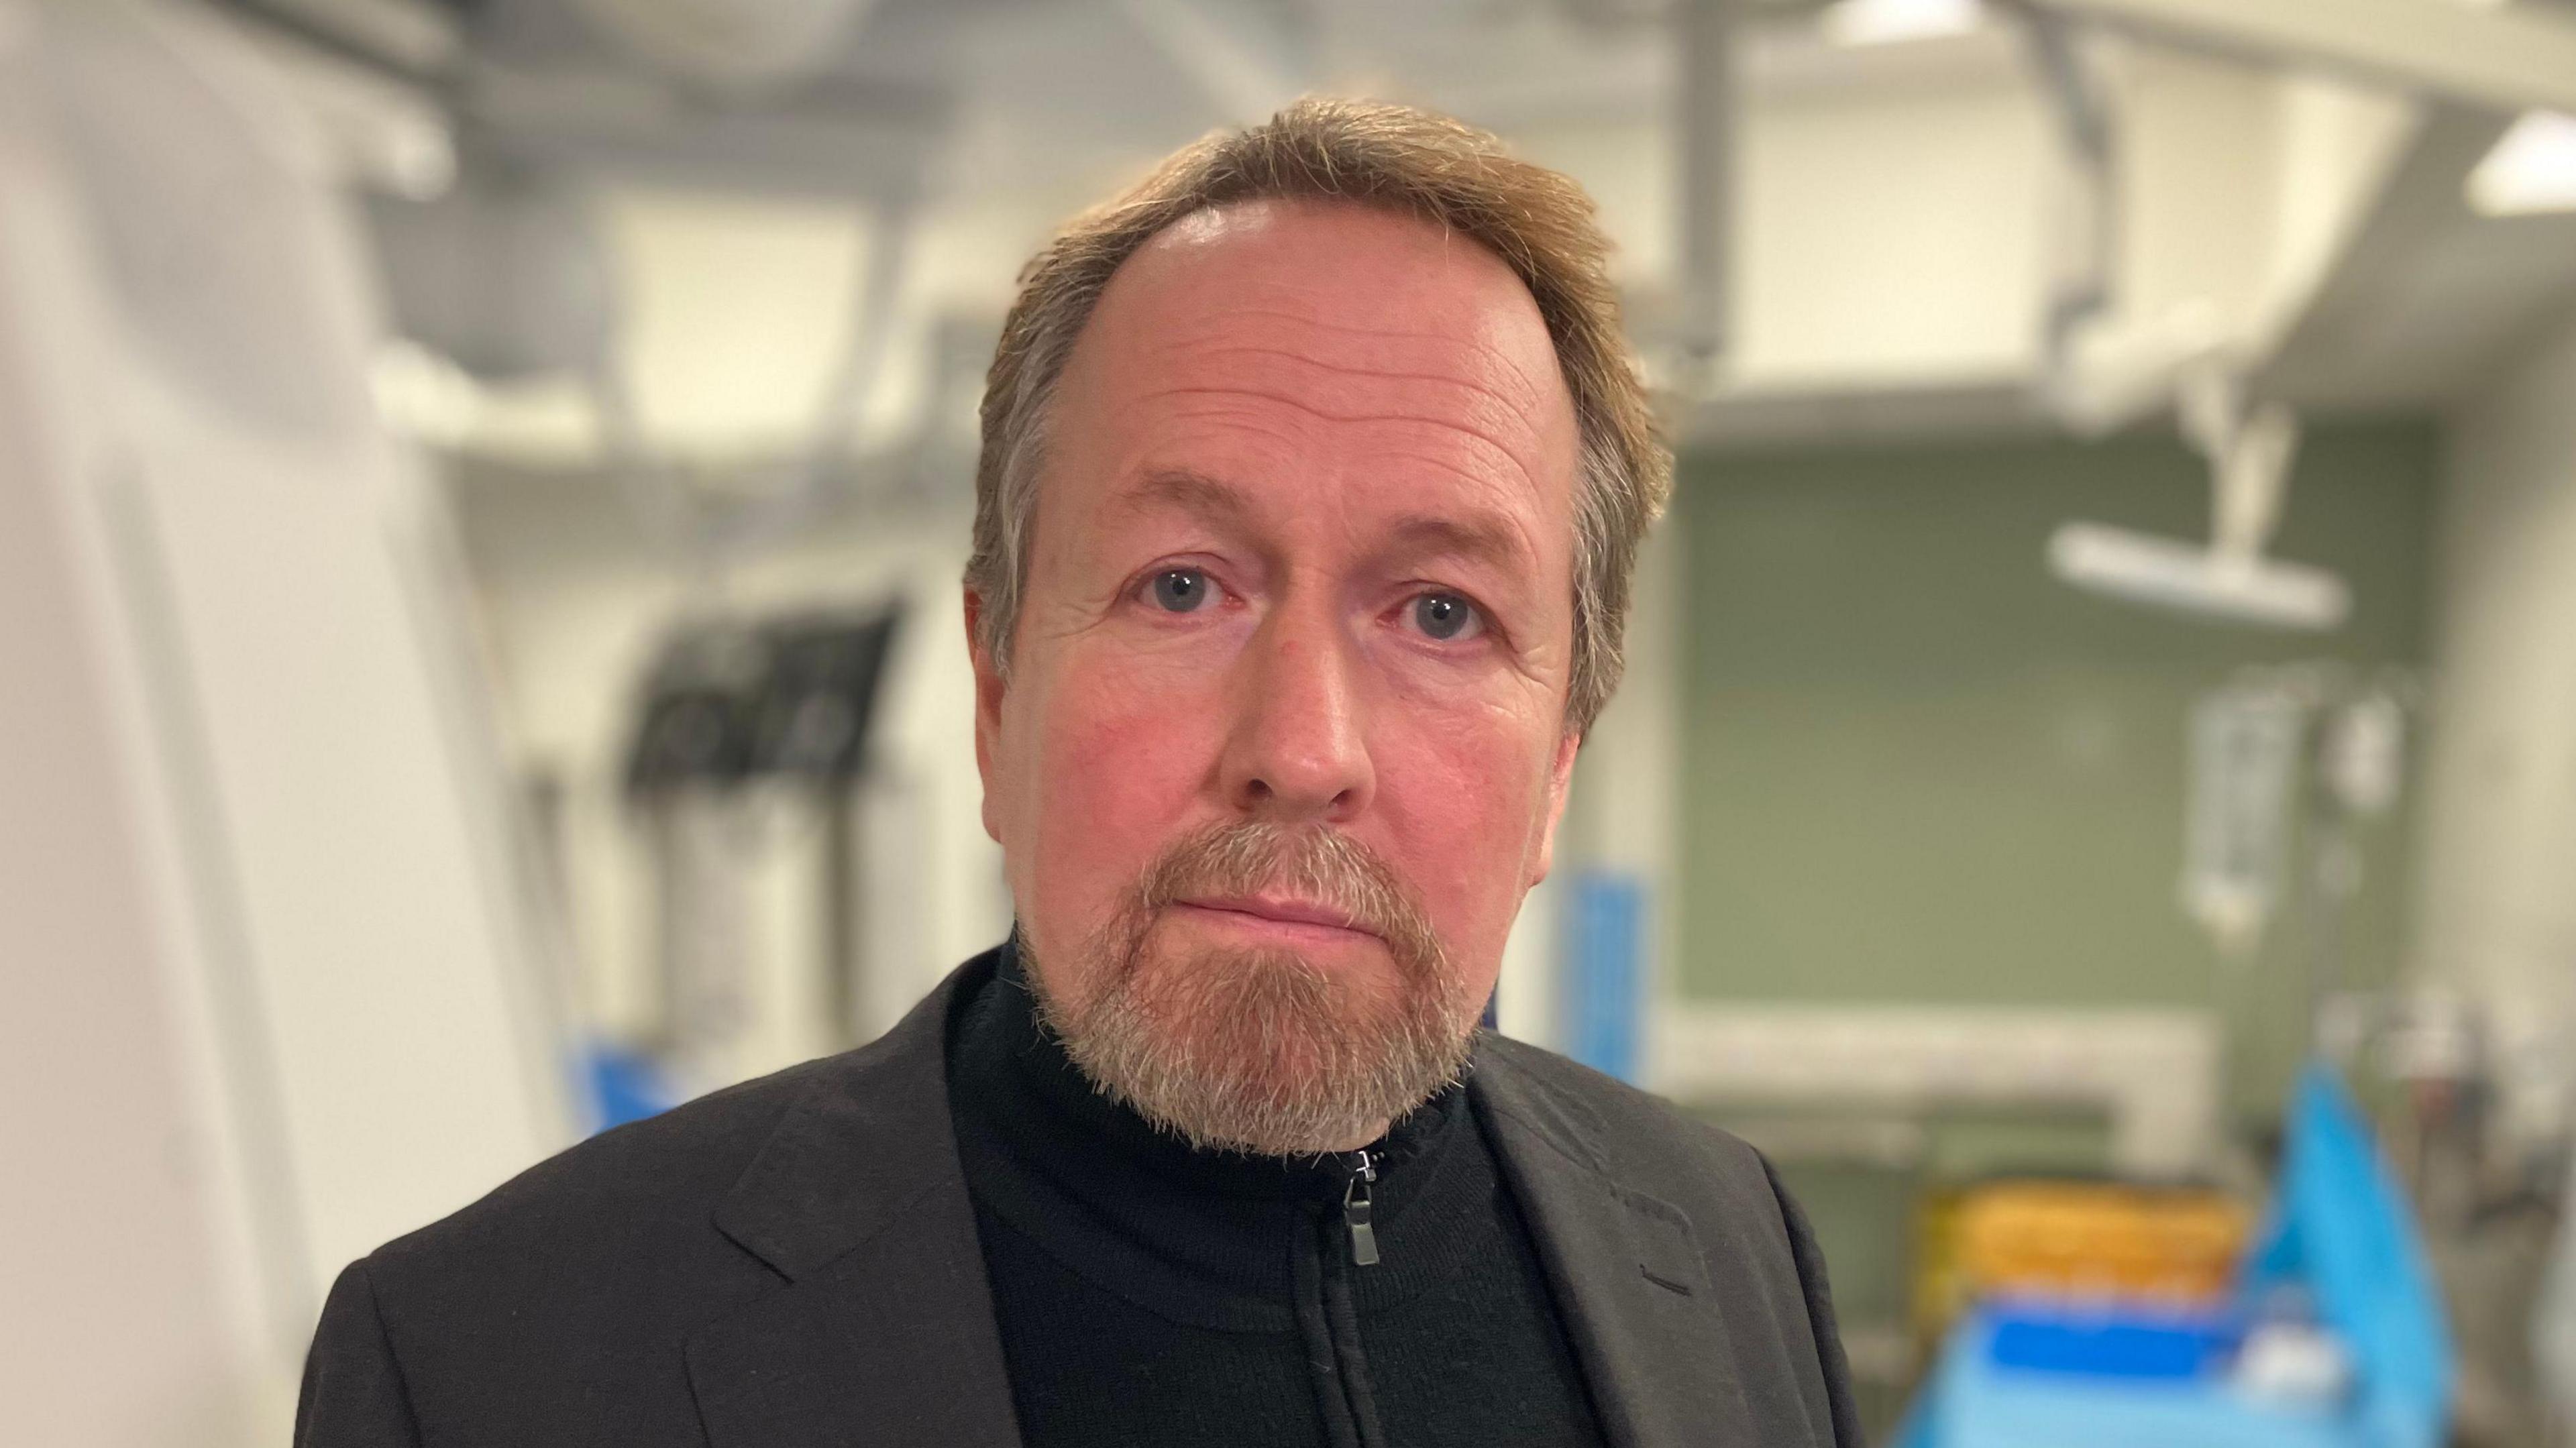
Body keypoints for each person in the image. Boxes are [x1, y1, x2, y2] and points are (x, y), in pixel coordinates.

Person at [297, 97, 1859, 1448]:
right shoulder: (491, 1366)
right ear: (995, 695)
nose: (1302, 751)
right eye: (1184, 586)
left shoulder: (1730, 1256)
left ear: (1562, 763)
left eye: (1443, 614)